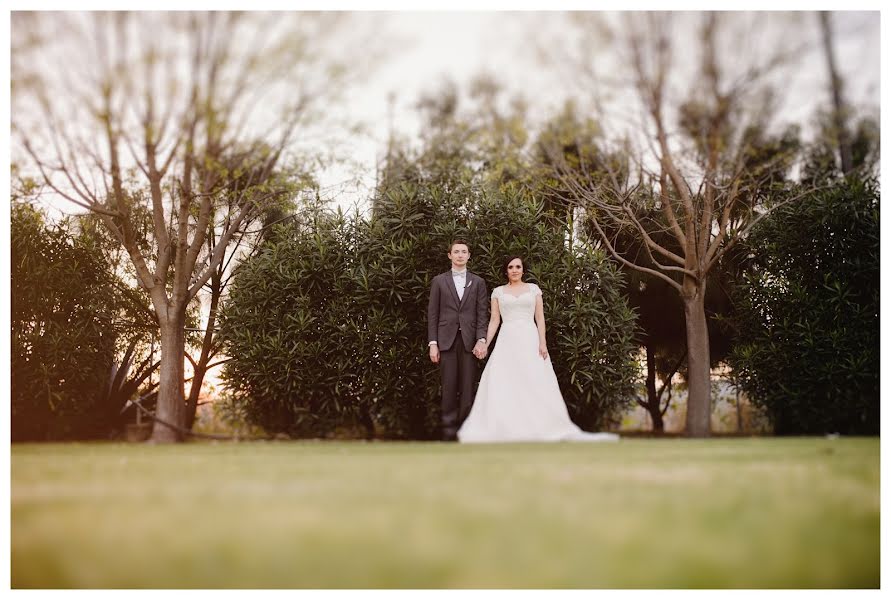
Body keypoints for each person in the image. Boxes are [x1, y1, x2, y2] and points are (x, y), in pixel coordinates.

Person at [457, 256, 620, 443]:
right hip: (507, 340)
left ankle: (542, 425)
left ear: (523, 270)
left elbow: (540, 318)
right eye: (510, 267)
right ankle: (505, 426)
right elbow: (495, 320)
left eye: (518, 266)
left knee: (534, 378)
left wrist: (542, 342)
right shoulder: (498, 292)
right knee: (505, 379)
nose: (515, 270)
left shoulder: (533, 289)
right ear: (506, 271)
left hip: (530, 338)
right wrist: (485, 342)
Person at [427, 240, 489, 441]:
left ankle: (466, 430)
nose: (460, 255)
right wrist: (433, 343)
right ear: (449, 255)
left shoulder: (478, 282)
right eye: (456, 252)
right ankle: (448, 431)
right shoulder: (438, 281)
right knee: (448, 387)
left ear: (469, 256)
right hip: (446, 341)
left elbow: (482, 314)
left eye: (464, 252)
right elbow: (433, 314)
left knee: (468, 387)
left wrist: (481, 339)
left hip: (470, 342)